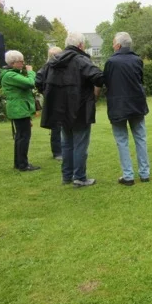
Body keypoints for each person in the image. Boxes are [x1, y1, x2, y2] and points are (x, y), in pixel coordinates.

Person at [39, 32, 104, 188]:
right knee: (80, 144)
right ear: (80, 45)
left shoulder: (53, 61)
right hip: (80, 109)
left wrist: (51, 96)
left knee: (67, 144)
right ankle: (79, 177)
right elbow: (99, 77)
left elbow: (39, 80)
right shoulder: (81, 60)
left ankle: (67, 176)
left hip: (60, 110)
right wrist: (93, 92)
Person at [104, 32, 150, 185]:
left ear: (118, 45)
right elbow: (140, 80)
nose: (112, 45)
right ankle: (144, 174)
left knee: (122, 140)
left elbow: (107, 83)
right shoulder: (137, 60)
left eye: (113, 43)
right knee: (140, 138)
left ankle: (128, 176)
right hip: (137, 104)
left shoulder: (111, 62)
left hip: (118, 106)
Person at [0, 50, 40, 172]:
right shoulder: (10, 75)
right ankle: (23, 164)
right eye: (20, 61)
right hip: (19, 109)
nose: (23, 63)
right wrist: (31, 72)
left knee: (20, 136)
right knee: (24, 137)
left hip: (19, 108)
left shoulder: (11, 74)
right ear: (13, 63)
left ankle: (19, 163)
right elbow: (30, 83)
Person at [35, 46, 63, 160]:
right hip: (53, 100)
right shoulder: (46, 68)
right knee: (56, 126)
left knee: (60, 126)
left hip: (58, 99)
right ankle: (57, 152)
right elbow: (38, 82)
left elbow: (38, 82)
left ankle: (62, 151)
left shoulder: (48, 67)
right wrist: (46, 92)